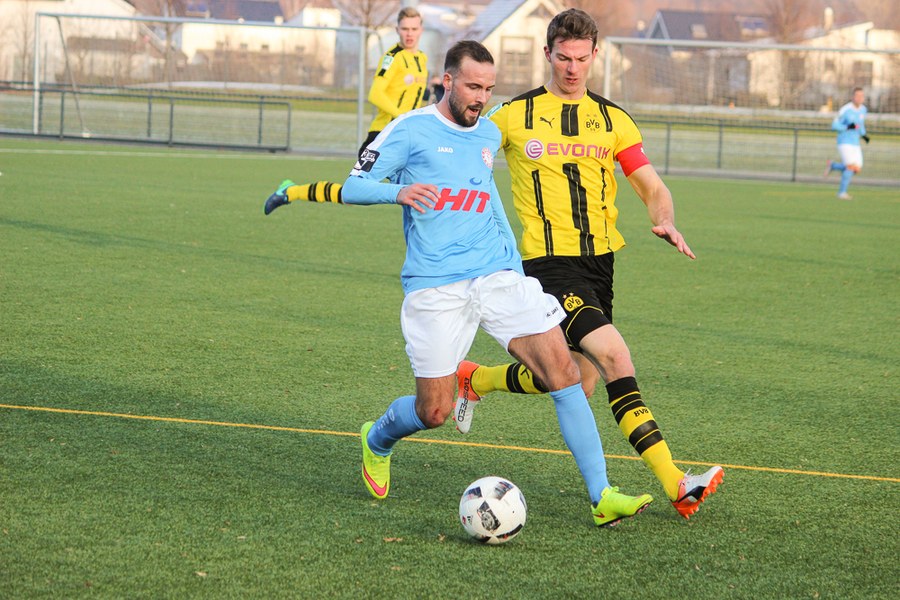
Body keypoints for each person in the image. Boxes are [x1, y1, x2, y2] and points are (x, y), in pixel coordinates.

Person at [345, 40, 653, 528]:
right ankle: (377, 438)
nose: (481, 98)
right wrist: (398, 191)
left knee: (565, 373)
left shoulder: (488, 133)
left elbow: (487, 197)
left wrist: (513, 266)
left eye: (488, 89)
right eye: (472, 87)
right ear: (448, 81)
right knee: (435, 410)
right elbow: (352, 185)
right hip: (437, 285)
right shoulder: (410, 129)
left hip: (497, 275)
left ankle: (602, 495)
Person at [450, 9, 724, 520]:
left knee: (578, 378)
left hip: (600, 265)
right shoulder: (513, 115)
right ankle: (676, 483)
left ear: (595, 55)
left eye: (581, 58)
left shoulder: (614, 120)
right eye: (563, 58)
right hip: (549, 264)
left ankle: (476, 379)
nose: (572, 68)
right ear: (547, 54)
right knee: (616, 355)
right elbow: (462, 145)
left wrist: (664, 219)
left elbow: (651, 185)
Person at [263, 7, 429, 214]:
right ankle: (291, 191)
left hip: (409, 136)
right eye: (405, 29)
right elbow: (375, 94)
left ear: (421, 30)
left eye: (414, 29)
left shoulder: (422, 58)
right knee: (351, 195)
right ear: (397, 30)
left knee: (423, 186)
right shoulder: (392, 58)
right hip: (383, 135)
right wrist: (401, 116)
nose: (409, 34)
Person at [824, 87, 868, 200]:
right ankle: (842, 193)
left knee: (857, 168)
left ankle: (833, 165)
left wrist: (864, 135)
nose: (859, 98)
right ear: (852, 97)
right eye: (857, 95)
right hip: (844, 141)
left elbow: (860, 125)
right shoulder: (845, 110)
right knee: (851, 166)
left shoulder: (863, 110)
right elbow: (834, 125)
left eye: (861, 96)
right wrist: (848, 127)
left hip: (855, 142)